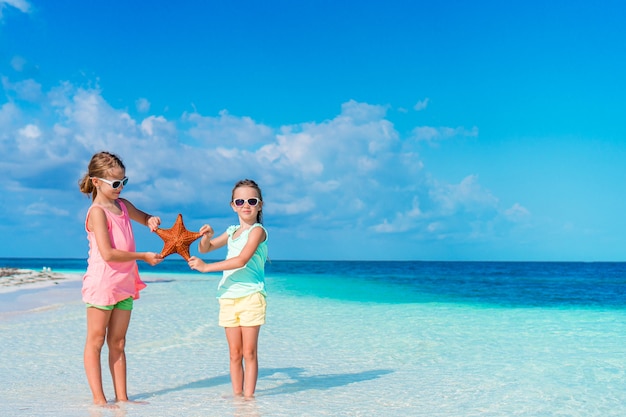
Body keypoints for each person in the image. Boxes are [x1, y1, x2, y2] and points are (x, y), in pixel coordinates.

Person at [78, 151, 163, 407]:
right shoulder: (97, 212)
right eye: (115, 183)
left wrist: (151, 220)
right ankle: (99, 399)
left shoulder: (123, 205)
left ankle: (122, 398)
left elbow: (144, 217)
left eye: (123, 182)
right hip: (103, 284)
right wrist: (143, 256)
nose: (120, 187)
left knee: (118, 342)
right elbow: (108, 253)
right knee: (96, 340)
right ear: (96, 182)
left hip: (125, 283)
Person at [188, 179, 268, 399]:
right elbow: (206, 249)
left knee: (249, 352)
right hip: (227, 297)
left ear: (260, 205)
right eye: (240, 201)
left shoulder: (258, 232)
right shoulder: (232, 231)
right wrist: (207, 237)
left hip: (251, 296)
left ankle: (249, 399)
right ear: (233, 205)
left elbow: (241, 259)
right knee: (234, 353)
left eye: (252, 201)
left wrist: (206, 269)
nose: (246, 205)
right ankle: (237, 396)